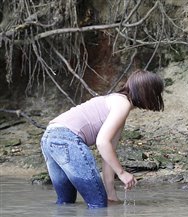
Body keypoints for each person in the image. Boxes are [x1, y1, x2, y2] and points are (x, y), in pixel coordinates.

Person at [40, 70, 164, 208]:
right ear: (147, 92)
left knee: (66, 203)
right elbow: (102, 142)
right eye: (157, 93)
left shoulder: (114, 101)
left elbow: (107, 154)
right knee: (97, 204)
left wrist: (111, 194)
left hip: (49, 138)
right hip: (66, 138)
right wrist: (122, 173)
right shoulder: (123, 104)